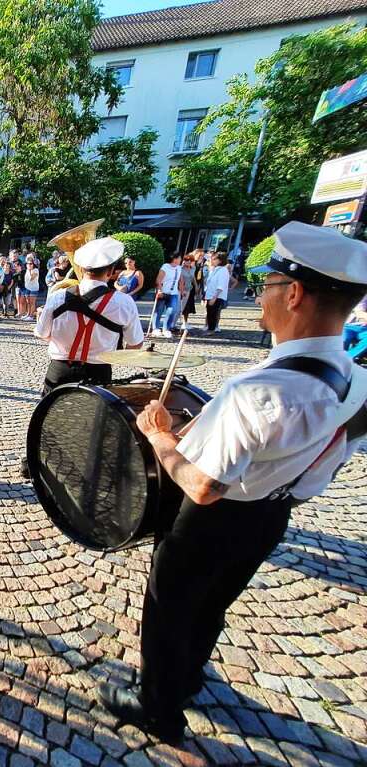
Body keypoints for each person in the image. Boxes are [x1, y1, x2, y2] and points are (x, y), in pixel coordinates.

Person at [98, 222, 367, 744]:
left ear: (294, 293)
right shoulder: (361, 381)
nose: (260, 295)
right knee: (215, 600)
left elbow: (202, 486)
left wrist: (159, 438)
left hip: (210, 521)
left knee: (169, 607)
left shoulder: (256, 390)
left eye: (266, 284)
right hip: (271, 514)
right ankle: (190, 675)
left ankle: (157, 706)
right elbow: (333, 460)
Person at [33, 237, 144, 394]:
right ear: (111, 271)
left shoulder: (57, 297)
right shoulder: (124, 302)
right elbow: (135, 345)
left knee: (50, 417)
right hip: (99, 372)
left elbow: (42, 333)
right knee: (93, 418)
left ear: (81, 268)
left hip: (60, 371)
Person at [153, 252, 183, 338]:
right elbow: (158, 280)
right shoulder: (165, 267)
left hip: (173, 293)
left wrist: (181, 290)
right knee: (159, 311)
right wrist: (159, 291)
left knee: (172, 311)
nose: (180, 260)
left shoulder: (179, 268)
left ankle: (166, 329)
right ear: (175, 259)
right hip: (163, 292)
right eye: (179, 258)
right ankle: (156, 328)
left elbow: (180, 280)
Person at [202, 252, 231, 334]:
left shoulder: (223, 270)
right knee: (209, 312)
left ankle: (212, 329)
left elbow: (221, 286)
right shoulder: (214, 269)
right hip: (210, 294)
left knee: (213, 313)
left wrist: (214, 297)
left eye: (214, 259)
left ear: (220, 261)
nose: (212, 261)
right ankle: (210, 328)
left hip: (216, 296)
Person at [177, 253, 197, 331]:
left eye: (190, 260)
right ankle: (175, 322)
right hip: (180, 289)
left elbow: (193, 277)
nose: (188, 261)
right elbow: (179, 280)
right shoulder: (180, 269)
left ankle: (184, 323)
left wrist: (196, 286)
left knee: (185, 307)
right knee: (178, 306)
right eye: (186, 260)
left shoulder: (193, 268)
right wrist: (181, 290)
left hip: (189, 289)